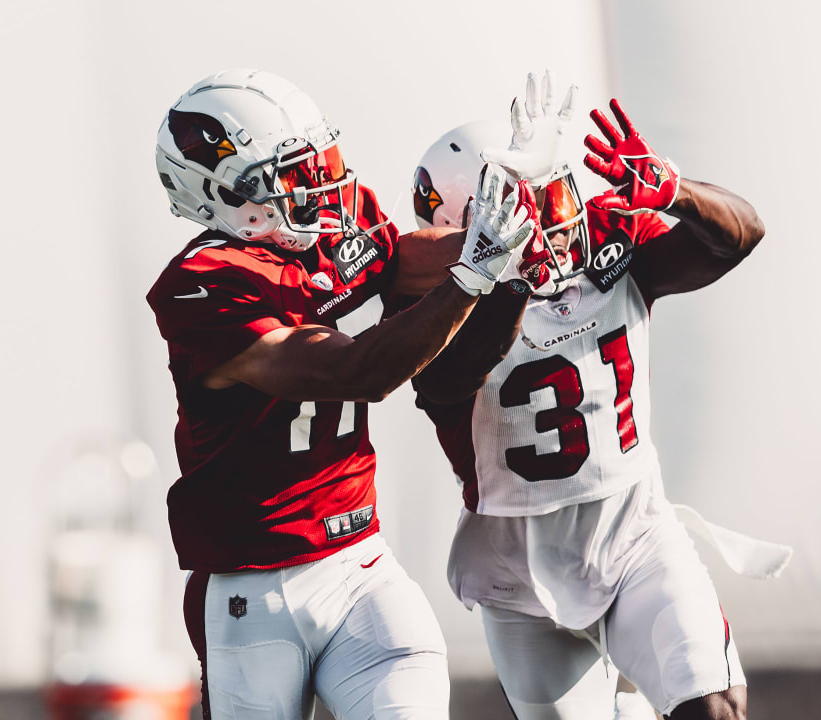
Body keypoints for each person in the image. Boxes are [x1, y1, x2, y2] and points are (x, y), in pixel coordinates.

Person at [146, 68, 542, 720]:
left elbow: (401, 258)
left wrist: (512, 237)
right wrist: (474, 275)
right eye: (289, 174)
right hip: (252, 592)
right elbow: (352, 373)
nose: (319, 185)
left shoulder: (332, 219)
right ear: (221, 192)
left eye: (314, 162)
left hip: (359, 563)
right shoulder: (205, 283)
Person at [407, 73, 770, 720]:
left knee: (713, 708)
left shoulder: (607, 238)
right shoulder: (434, 306)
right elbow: (443, 381)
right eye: (523, 210)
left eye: (551, 199)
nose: (550, 226)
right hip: (517, 577)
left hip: (635, 537)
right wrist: (505, 283)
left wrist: (676, 193)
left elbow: (741, 235)